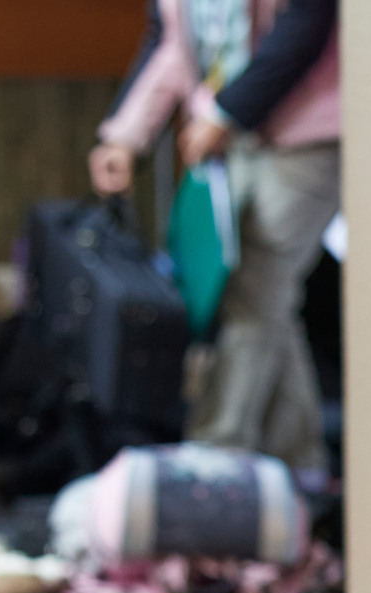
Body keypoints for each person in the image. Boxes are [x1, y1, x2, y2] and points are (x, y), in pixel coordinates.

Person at [89, 0, 341, 481]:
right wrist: (126, 137)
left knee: (254, 287)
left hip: (304, 135)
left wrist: (228, 112)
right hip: (231, 138)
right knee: (263, 301)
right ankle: (301, 471)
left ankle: (214, 458)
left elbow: (307, 23)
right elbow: (169, 45)